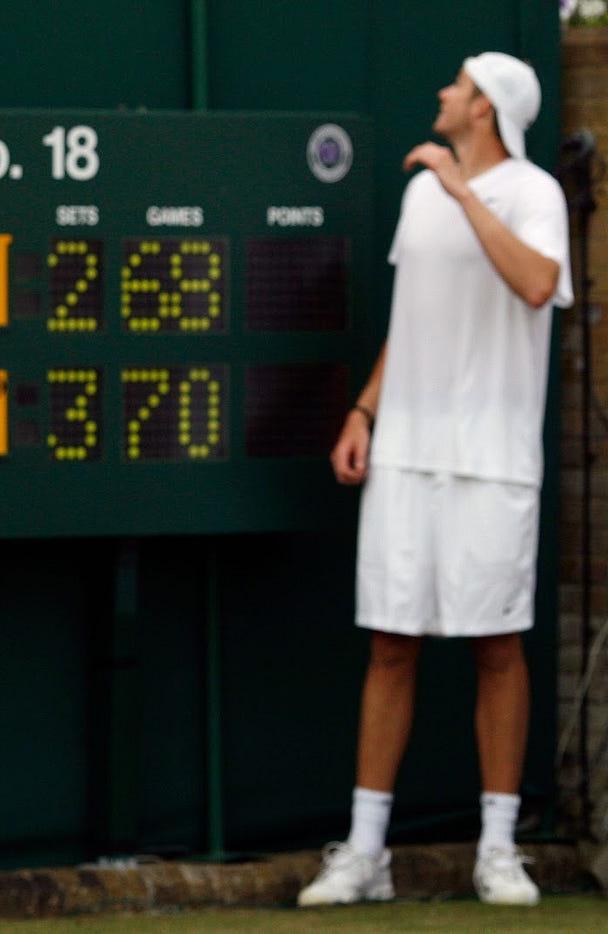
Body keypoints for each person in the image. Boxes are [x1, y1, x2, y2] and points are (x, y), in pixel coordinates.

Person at [297, 52, 573, 909]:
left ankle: (497, 851)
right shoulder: (420, 196)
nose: (442, 94)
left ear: (485, 110)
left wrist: (462, 191)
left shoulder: (533, 194)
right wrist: (365, 413)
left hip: (493, 460)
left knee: (497, 647)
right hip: (407, 455)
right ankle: (367, 853)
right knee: (390, 644)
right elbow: (412, 319)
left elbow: (537, 285)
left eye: (457, 86)